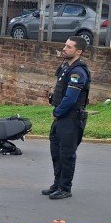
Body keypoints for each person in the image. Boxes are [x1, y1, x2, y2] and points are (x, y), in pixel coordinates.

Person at [42, 36, 90, 200]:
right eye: (65, 45)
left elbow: (70, 98)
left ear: (78, 52)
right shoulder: (65, 67)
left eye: (69, 47)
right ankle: (57, 183)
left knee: (67, 154)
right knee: (56, 152)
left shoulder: (78, 71)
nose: (64, 48)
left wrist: (57, 112)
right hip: (61, 117)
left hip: (71, 118)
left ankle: (65, 187)